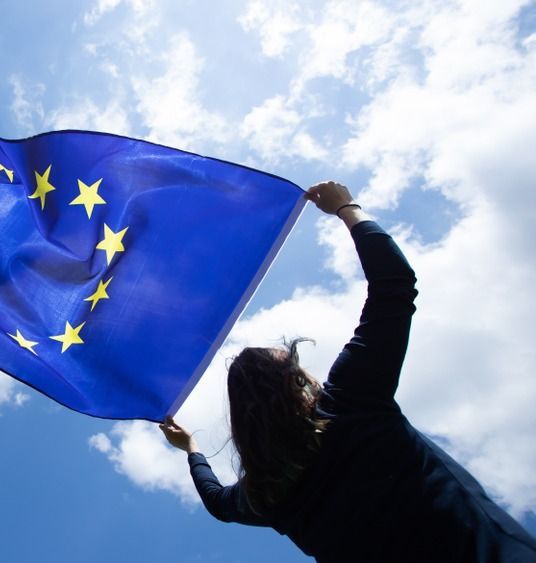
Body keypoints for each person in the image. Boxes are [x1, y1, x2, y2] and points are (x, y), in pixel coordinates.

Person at [160, 181, 536, 562]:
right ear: (295, 382)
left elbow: (216, 502)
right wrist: (347, 208)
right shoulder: (349, 401)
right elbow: (394, 284)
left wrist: (191, 448)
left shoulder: (264, 495)